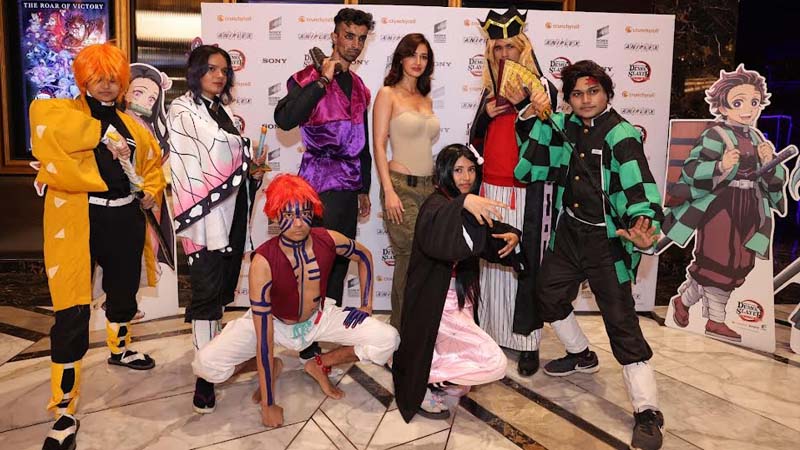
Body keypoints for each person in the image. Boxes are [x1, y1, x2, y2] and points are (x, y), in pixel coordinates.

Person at [515, 60, 665, 450]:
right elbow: (529, 163)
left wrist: (642, 224)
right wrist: (530, 109)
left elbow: (639, 188)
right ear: (569, 99)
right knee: (547, 294)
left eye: (593, 91)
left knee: (621, 321)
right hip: (568, 232)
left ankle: (647, 411)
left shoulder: (621, 134)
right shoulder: (563, 126)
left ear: (607, 94)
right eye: (577, 94)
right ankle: (581, 354)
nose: (585, 100)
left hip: (607, 241)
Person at [30, 43, 165, 450]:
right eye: (98, 78)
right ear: (84, 80)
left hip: (124, 219)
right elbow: (46, 127)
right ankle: (64, 409)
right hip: (79, 219)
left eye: (112, 79)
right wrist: (102, 134)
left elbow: (152, 166)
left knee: (123, 291)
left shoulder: (133, 125)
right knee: (71, 311)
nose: (106, 86)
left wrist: (150, 191)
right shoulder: (63, 112)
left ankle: (119, 349)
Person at [192, 174, 400, 428]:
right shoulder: (263, 262)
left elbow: (364, 256)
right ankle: (270, 367)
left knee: (388, 339)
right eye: (289, 215)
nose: (299, 223)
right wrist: (268, 404)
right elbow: (265, 341)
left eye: (305, 213)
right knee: (206, 365)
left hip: (319, 318)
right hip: (273, 322)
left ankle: (320, 363)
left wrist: (366, 304)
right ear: (275, 215)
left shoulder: (328, 239)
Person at [167, 45, 264, 414]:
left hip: (231, 214)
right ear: (195, 71)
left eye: (224, 70)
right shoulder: (182, 110)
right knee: (206, 295)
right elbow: (218, 148)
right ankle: (204, 377)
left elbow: (231, 159)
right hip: (203, 218)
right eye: (211, 69)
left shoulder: (225, 111)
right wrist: (244, 150)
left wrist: (251, 170)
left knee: (222, 291)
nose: (219, 75)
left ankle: (215, 357)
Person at [393, 144, 519, 422]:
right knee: (493, 361)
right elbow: (441, 242)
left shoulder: (462, 202)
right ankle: (424, 381)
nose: (466, 177)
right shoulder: (435, 205)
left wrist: (512, 235)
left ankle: (430, 379)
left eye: (471, 169)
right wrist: (463, 203)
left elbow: (483, 236)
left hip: (458, 298)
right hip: (437, 299)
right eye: (458, 170)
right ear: (444, 171)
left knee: (451, 361)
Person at [664, 65, 786, 343]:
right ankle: (716, 321)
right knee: (718, 260)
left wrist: (769, 163)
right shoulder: (715, 135)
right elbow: (691, 170)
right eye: (739, 103)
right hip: (720, 207)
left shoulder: (757, 138)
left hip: (750, 207)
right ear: (722, 106)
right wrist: (720, 165)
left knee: (740, 262)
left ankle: (683, 301)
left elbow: (775, 182)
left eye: (754, 102)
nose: (748, 110)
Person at [469, 6, 558, 377]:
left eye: (511, 46)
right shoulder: (490, 90)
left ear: (524, 48)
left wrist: (524, 103)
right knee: (492, 263)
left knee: (524, 262)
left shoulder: (544, 89)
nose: (505, 53)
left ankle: (528, 341)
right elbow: (475, 141)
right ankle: (491, 333)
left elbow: (549, 138)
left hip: (525, 191)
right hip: (490, 186)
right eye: (499, 48)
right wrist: (485, 117)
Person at [274, 7, 375, 306]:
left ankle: (329, 321)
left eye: (361, 38)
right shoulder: (307, 77)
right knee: (316, 260)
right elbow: (285, 119)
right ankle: (307, 327)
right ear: (334, 36)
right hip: (318, 184)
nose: (355, 44)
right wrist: (322, 80)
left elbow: (363, 140)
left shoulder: (360, 87)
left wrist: (364, 188)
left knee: (341, 261)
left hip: (349, 186)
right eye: (349, 36)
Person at [372, 33, 439, 329]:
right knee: (409, 255)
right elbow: (378, 145)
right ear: (401, 58)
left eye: (424, 56)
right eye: (412, 54)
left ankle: (411, 329)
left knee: (422, 259)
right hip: (400, 186)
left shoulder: (426, 98)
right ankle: (402, 331)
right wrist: (388, 190)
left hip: (429, 188)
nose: (418, 62)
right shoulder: (387, 94)